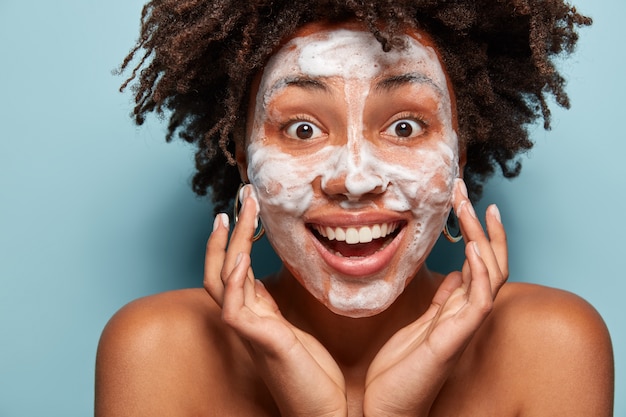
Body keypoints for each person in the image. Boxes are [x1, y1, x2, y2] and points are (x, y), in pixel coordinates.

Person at [95, 1, 614, 416]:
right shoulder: (153, 351)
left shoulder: (554, 346)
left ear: (459, 153)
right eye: (302, 129)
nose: (355, 179)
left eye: (405, 126)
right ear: (244, 158)